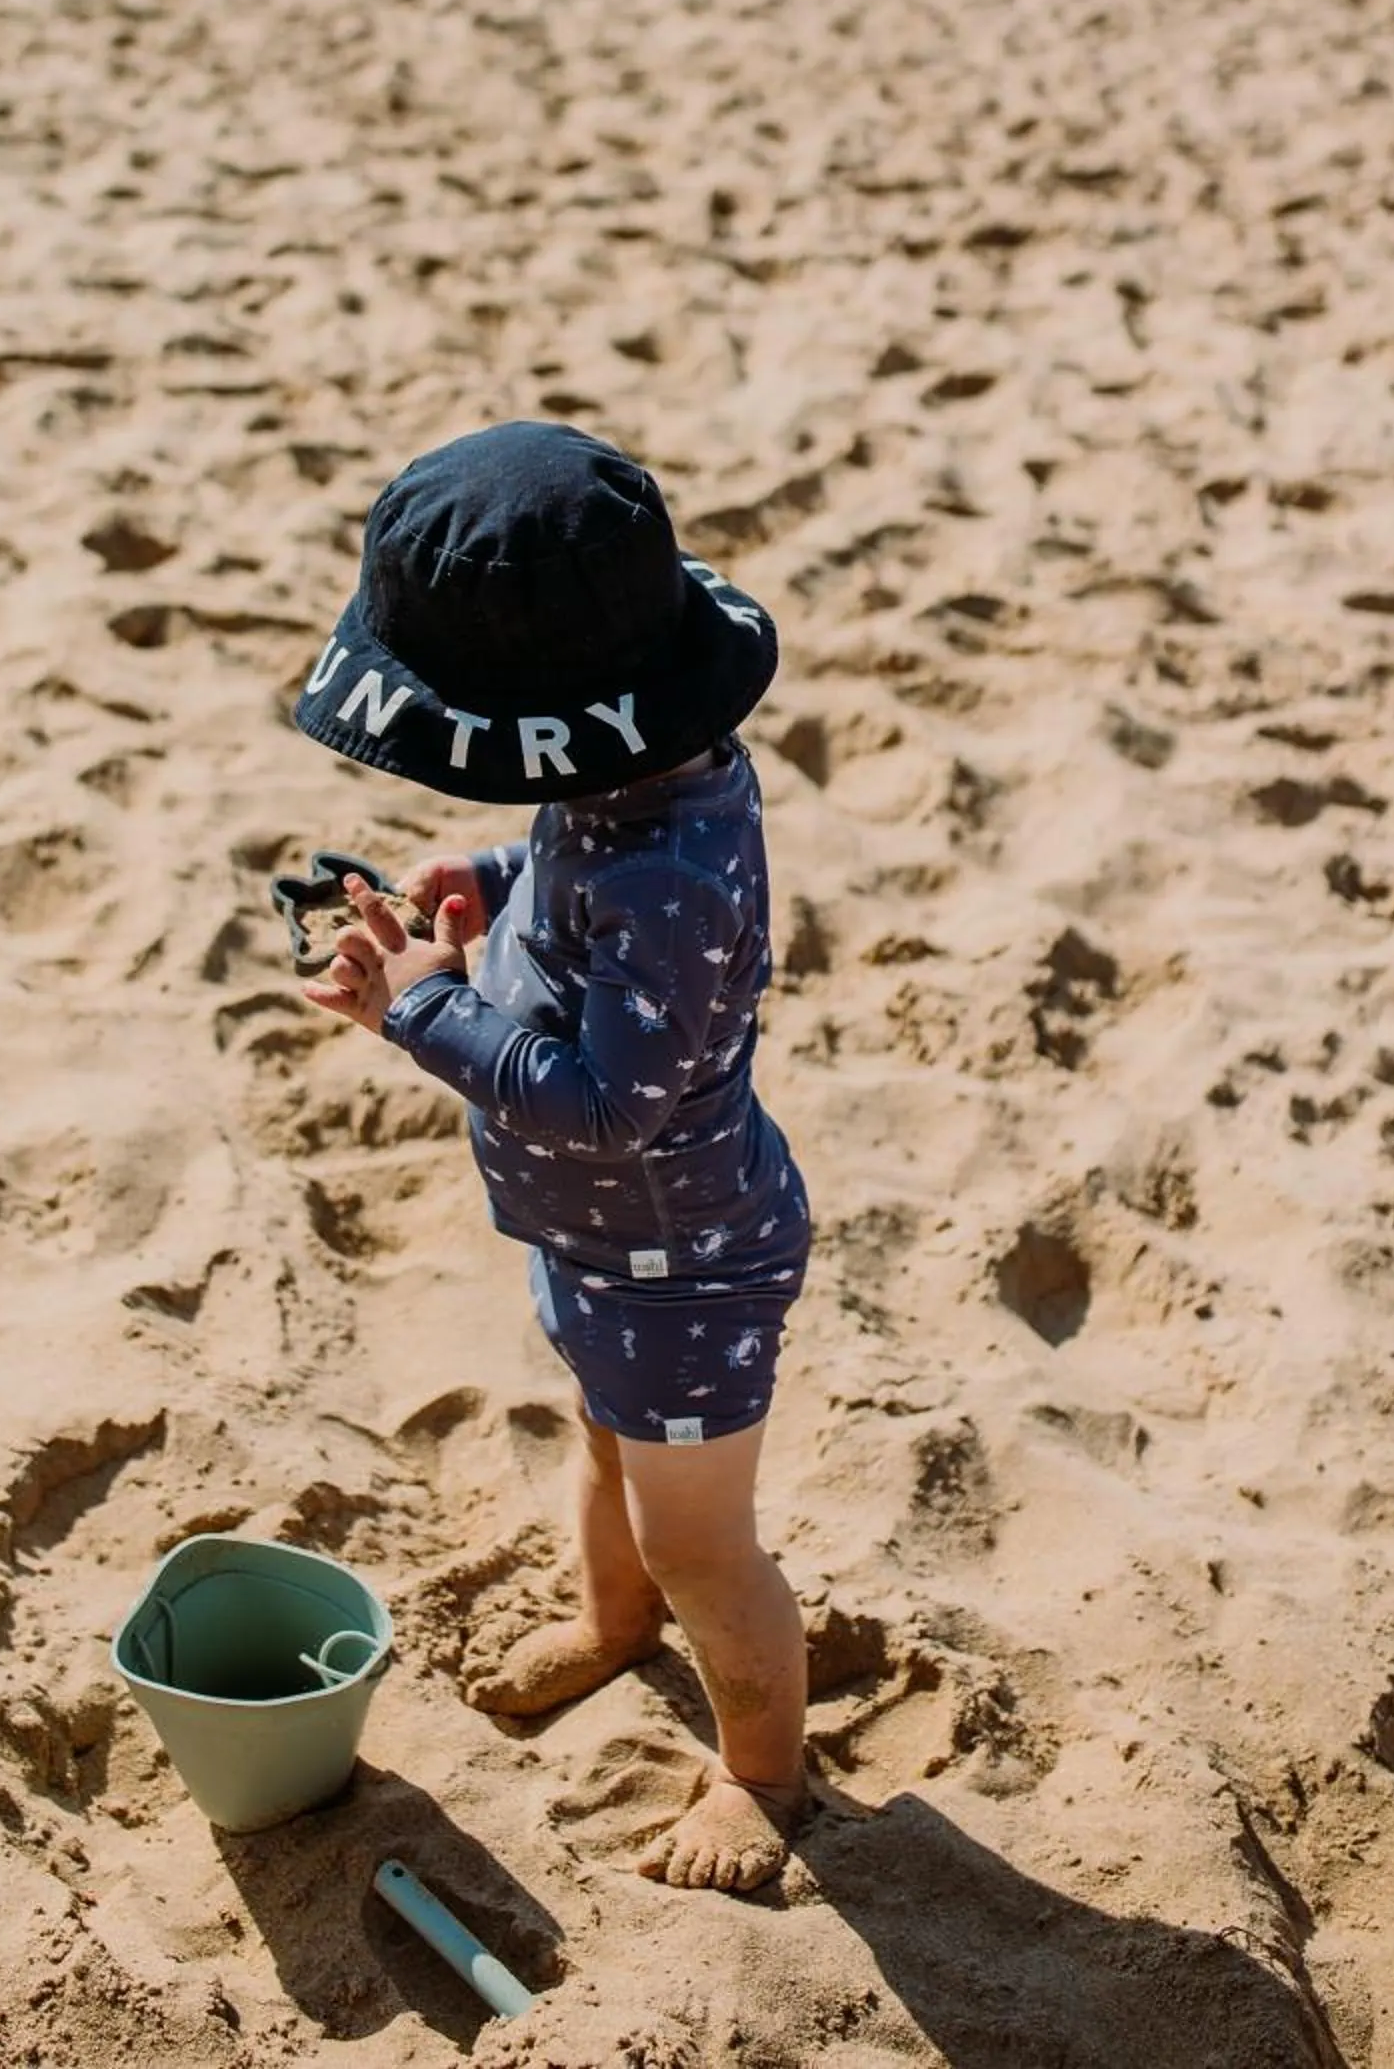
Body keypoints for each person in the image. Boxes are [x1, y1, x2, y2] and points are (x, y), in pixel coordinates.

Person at [293, 421, 811, 1895]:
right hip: (603, 1248)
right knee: (606, 1448)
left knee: (708, 1545)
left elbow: (602, 1106)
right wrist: (492, 877)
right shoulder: (644, 772)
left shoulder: (669, 870)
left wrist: (424, 1007)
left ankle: (763, 1774)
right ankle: (613, 1619)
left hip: (685, 1265)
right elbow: (579, 864)